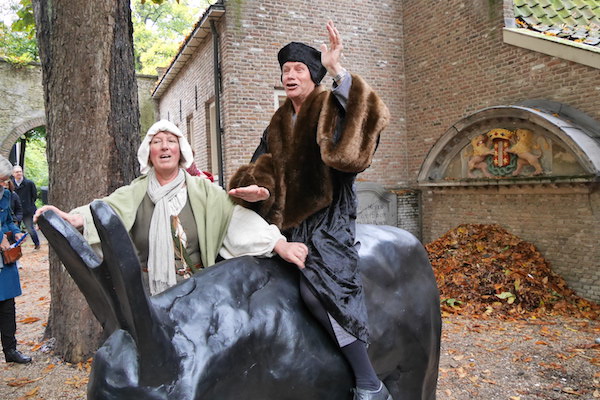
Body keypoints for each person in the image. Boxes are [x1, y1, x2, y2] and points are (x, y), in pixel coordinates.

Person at [228, 21, 391, 400]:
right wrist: (256, 188)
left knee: (319, 287)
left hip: (329, 217)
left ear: (314, 75)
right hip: (286, 222)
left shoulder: (328, 103)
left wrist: (339, 71)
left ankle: (370, 382)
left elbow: (363, 129)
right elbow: (262, 165)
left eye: (298, 69)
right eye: (285, 70)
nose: (290, 75)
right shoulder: (278, 121)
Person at [35, 120, 307, 296]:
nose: (164, 146)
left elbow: (234, 219)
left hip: (197, 292)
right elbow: (105, 211)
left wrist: (278, 245)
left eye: (171, 141)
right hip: (147, 295)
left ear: (181, 151)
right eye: (156, 142)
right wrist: (70, 218)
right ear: (149, 153)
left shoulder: (204, 192)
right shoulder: (135, 193)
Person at [0, 156, 31, 364]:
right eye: (0, 180)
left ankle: (10, 350)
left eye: (5, 180)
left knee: (8, 306)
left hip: (5, 259)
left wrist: (15, 232)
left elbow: (9, 220)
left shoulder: (6, 195)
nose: (3, 184)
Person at [12, 165, 40, 250]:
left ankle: (37, 244)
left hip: (27, 210)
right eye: (17, 172)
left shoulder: (29, 183)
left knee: (30, 228)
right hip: (15, 211)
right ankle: (15, 247)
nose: (19, 173)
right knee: (15, 230)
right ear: (13, 174)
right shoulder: (11, 184)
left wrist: (30, 205)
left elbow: (34, 196)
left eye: (20, 172)